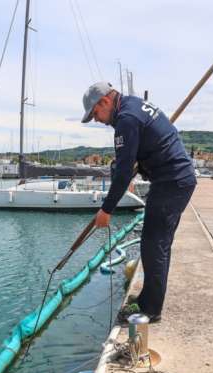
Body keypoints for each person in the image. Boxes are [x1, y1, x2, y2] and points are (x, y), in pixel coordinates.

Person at [81, 81, 196, 323]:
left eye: (95, 114)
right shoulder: (133, 105)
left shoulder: (126, 119)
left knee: (154, 246)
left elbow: (123, 172)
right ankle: (148, 300)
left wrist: (106, 209)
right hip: (174, 180)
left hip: (171, 181)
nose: (97, 120)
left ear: (104, 102)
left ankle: (150, 309)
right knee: (156, 245)